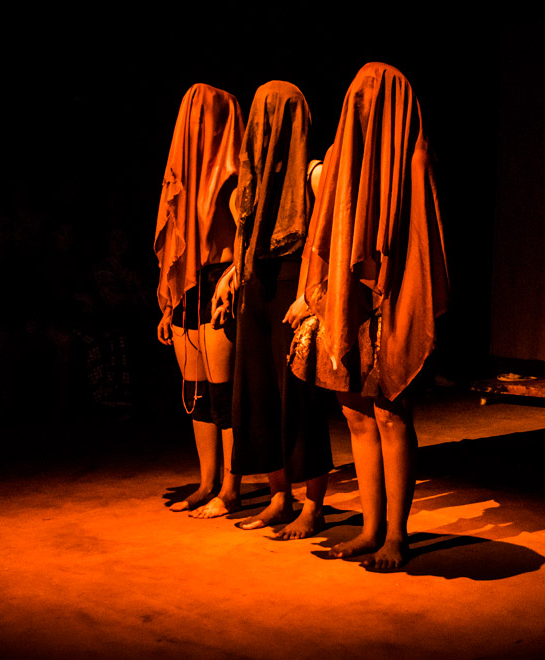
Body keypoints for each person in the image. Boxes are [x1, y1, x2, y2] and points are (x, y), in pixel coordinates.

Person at [285, 63, 448, 569]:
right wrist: (309, 295)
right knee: (355, 412)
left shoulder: (414, 156)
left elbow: (423, 244)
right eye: (358, 96)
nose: (363, 106)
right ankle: (370, 527)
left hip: (394, 298)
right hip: (346, 300)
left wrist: (403, 300)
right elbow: (321, 232)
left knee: (390, 413)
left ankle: (396, 535)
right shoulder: (337, 157)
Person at [191, 81, 334, 538]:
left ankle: (313, 506)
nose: (267, 127)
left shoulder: (314, 173)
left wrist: (310, 295)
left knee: (300, 398)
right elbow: (245, 240)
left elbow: (330, 240)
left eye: (278, 116)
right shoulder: (249, 183)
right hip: (256, 286)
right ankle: (279, 496)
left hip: (295, 289)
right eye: (262, 115)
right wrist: (233, 276)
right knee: (257, 395)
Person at [154, 84, 244, 512]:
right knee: (196, 388)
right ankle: (208, 480)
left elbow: (248, 232)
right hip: (191, 283)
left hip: (221, 279)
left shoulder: (236, 174)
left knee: (224, 390)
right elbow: (174, 240)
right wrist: (170, 301)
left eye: (202, 120)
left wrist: (233, 274)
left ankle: (231, 485)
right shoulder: (184, 177)